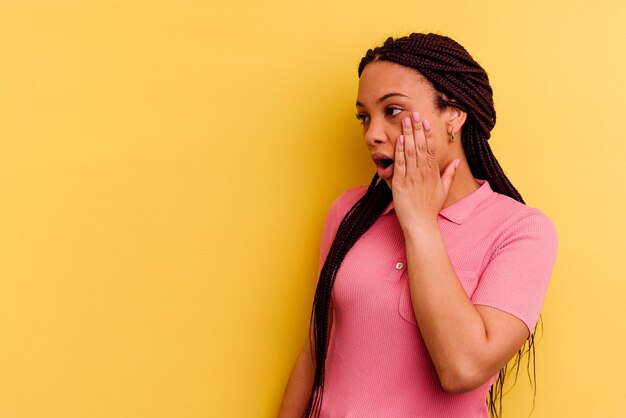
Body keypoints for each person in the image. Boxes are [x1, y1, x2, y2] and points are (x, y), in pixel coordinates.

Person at [278, 33, 558, 418]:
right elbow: (314, 351)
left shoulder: (521, 231)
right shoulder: (350, 211)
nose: (372, 134)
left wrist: (420, 222)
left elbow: (463, 369)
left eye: (392, 111)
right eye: (364, 116)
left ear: (454, 116)